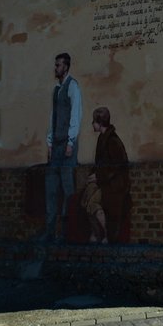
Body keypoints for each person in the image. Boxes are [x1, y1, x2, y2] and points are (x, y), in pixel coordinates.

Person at [42, 52, 82, 242]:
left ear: (66, 67)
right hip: (56, 146)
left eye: (58, 65)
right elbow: (53, 117)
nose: (55, 68)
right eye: (55, 64)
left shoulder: (72, 86)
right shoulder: (56, 89)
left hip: (67, 145)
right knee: (51, 190)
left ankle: (67, 234)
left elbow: (76, 115)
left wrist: (71, 142)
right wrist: (49, 143)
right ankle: (49, 232)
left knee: (68, 190)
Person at [81, 106, 130, 244]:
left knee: (91, 201)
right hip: (104, 182)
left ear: (100, 122)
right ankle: (97, 233)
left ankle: (103, 234)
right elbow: (99, 165)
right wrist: (93, 176)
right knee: (85, 199)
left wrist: (98, 176)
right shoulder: (102, 139)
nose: (92, 124)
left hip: (115, 185)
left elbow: (117, 167)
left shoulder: (113, 141)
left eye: (94, 121)